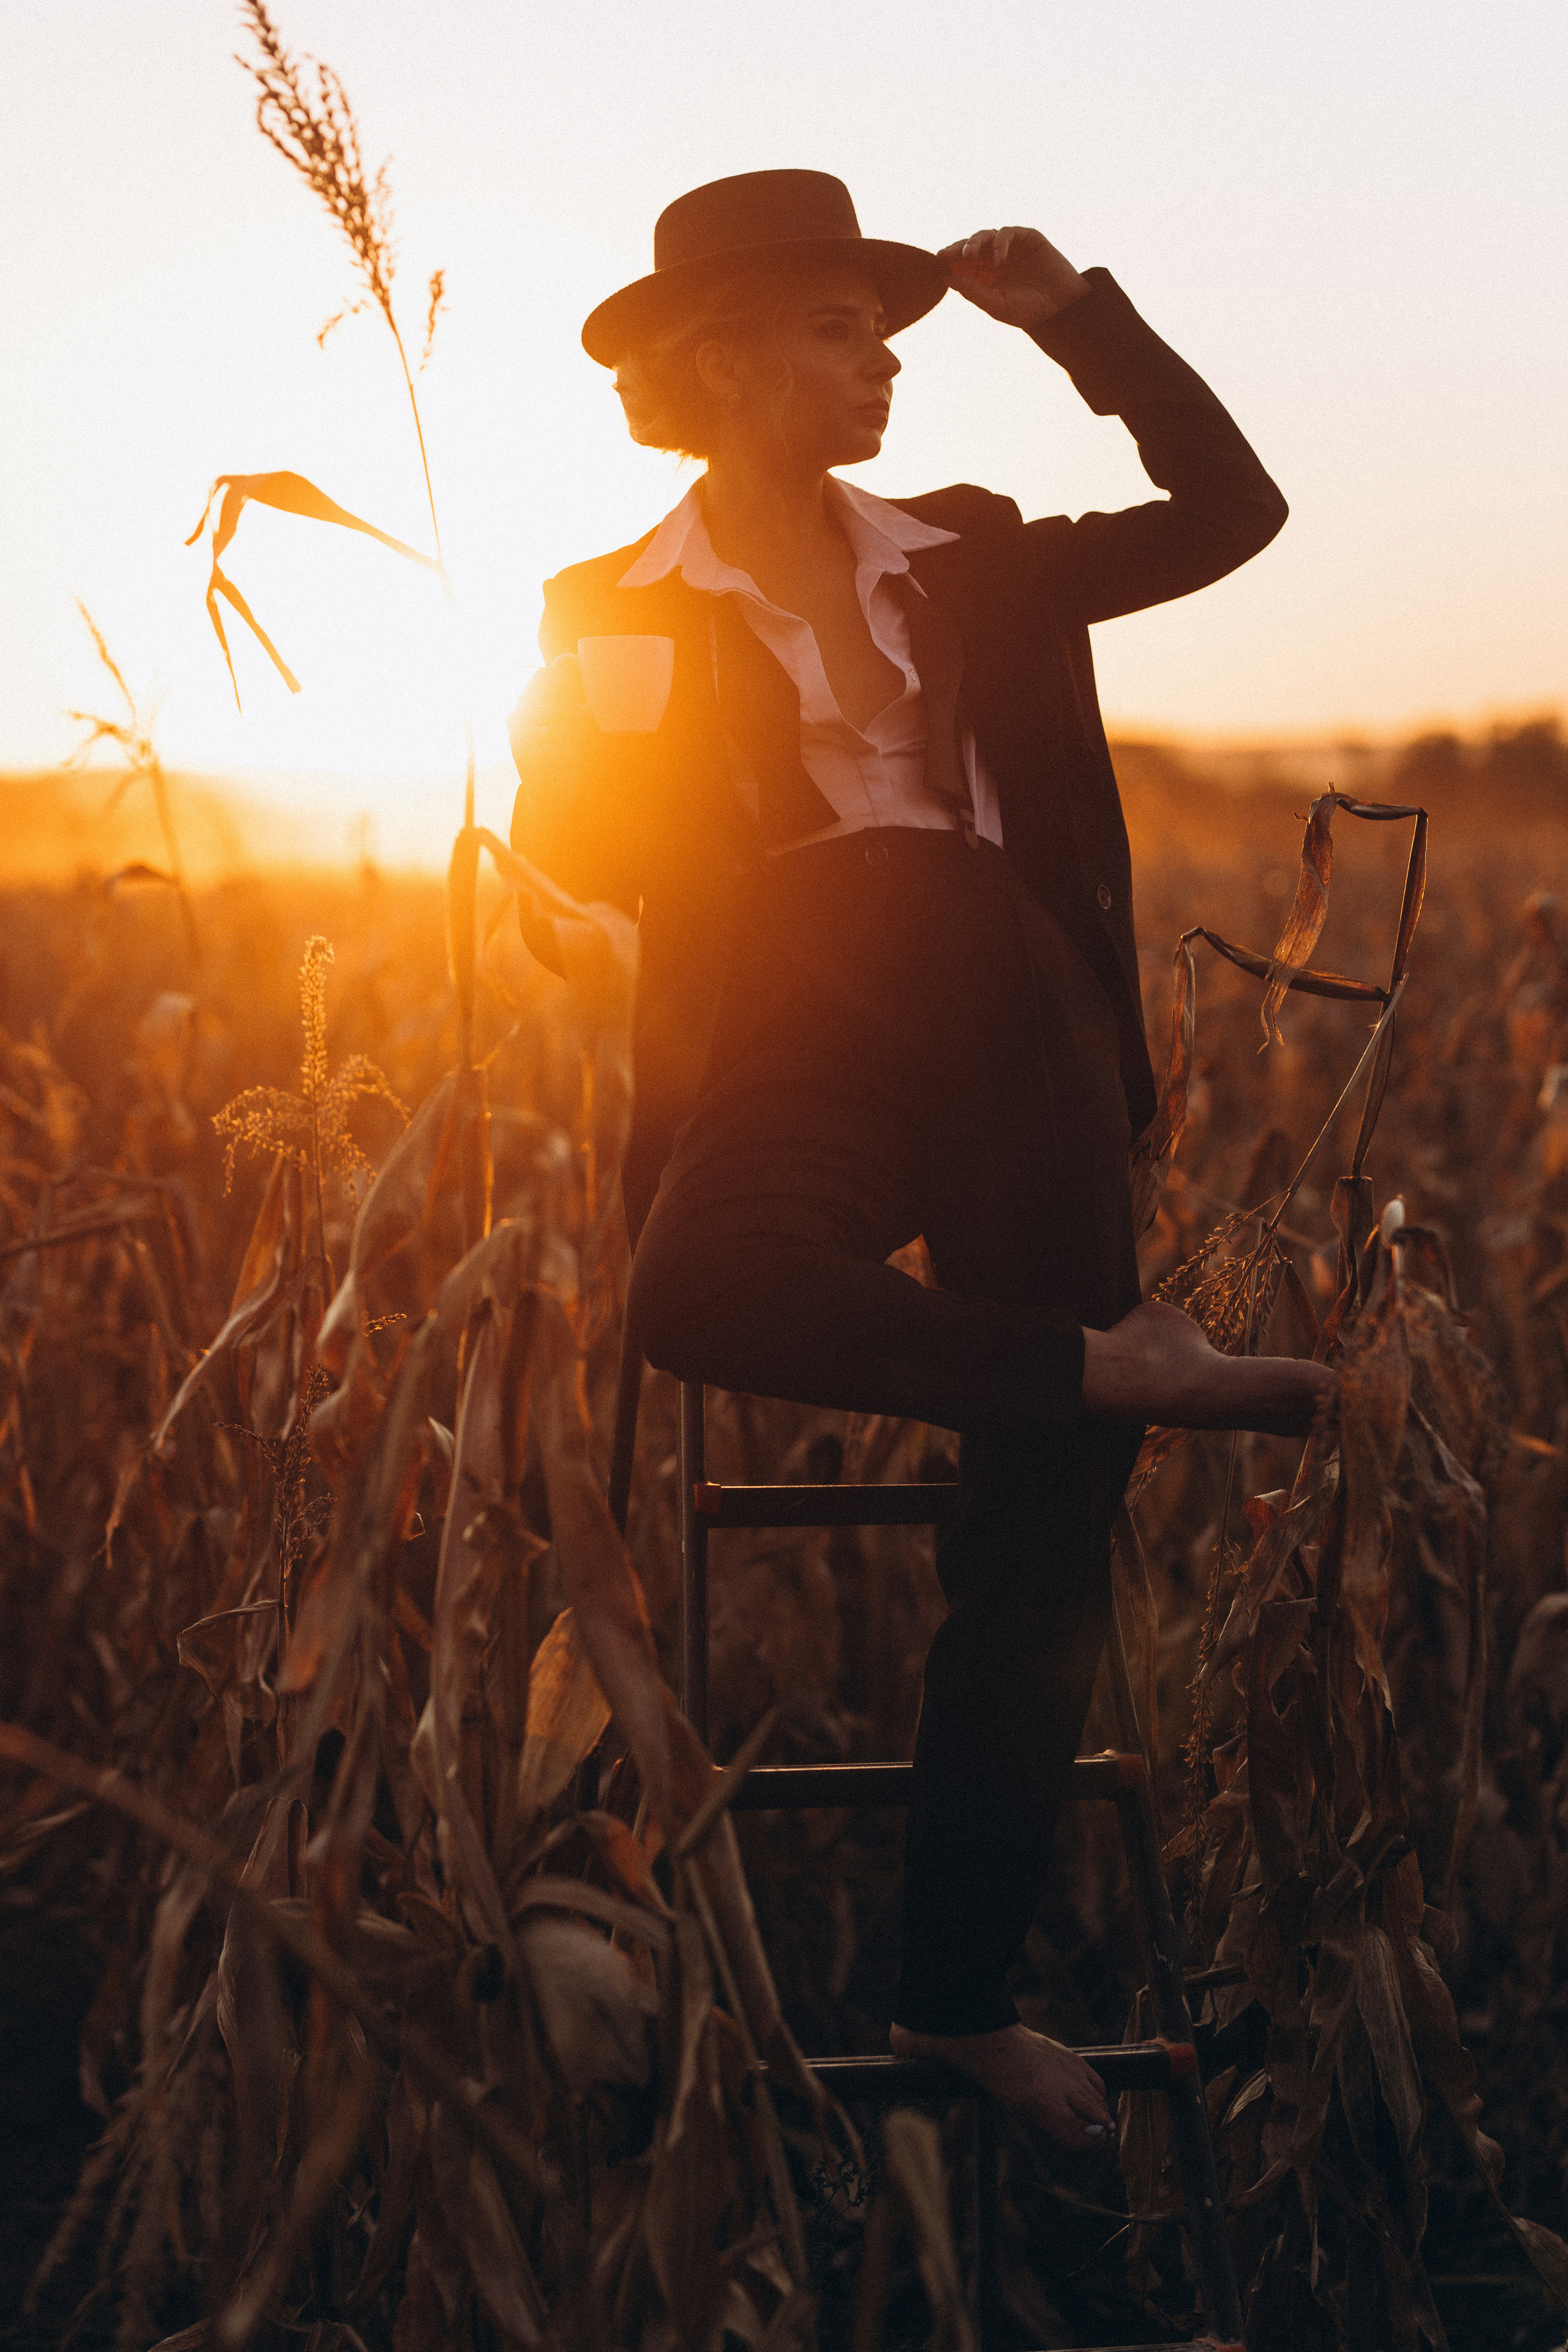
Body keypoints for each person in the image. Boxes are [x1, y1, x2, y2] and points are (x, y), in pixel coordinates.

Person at [508, 170, 1333, 2150]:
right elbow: (592, 856)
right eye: (837, 329)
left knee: (1040, 1535)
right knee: (699, 1286)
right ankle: (1099, 1351)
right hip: (798, 1051)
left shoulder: (973, 555)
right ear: (723, 364)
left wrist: (1082, 330)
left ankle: (955, 2004)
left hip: (1017, 1053)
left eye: (890, 330)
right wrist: (568, 813)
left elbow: (1235, 518)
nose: (885, 357)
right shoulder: (603, 609)